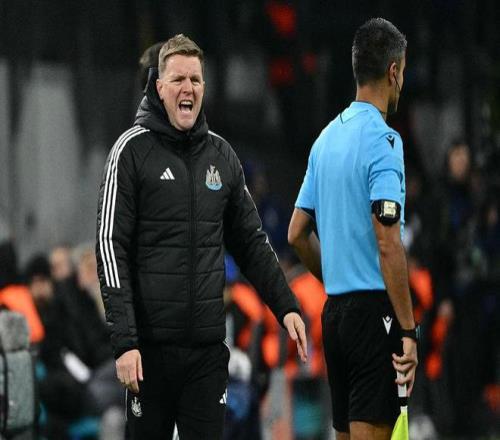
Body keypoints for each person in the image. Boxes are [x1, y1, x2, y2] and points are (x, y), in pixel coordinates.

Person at [95, 34, 307, 440]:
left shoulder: (222, 157)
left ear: (204, 88)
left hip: (207, 355)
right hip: (148, 355)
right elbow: (110, 246)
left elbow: (251, 242)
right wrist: (125, 343)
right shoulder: (129, 152)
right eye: (178, 79)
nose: (187, 88)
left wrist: (286, 306)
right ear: (159, 86)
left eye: (195, 79)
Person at [288, 18, 418, 440]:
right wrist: (407, 329)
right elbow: (388, 242)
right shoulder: (384, 141)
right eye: (403, 72)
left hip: (335, 317)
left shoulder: (324, 140)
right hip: (373, 317)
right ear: (393, 72)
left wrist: (334, 277)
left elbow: (296, 233)